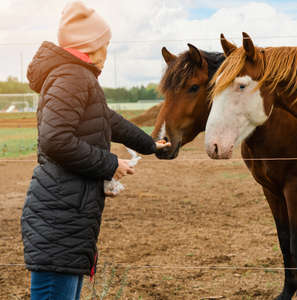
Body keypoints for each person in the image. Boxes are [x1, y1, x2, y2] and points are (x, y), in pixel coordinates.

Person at [21, 1, 169, 299]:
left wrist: (149, 144)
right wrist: (110, 163)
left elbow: (109, 120)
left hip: (69, 214)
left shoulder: (79, 77)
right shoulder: (72, 77)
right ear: (92, 46)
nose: (107, 51)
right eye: (106, 44)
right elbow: (55, 140)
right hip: (59, 218)